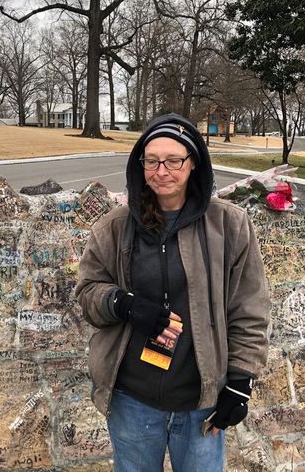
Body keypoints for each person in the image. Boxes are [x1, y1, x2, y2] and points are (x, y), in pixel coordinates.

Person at [75, 113, 270, 472]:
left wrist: (241, 381)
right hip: (132, 399)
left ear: (194, 162)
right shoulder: (114, 227)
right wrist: (123, 304)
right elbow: (87, 292)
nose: (161, 170)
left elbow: (249, 306)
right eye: (151, 161)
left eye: (173, 160)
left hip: (200, 400)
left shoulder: (229, 225)